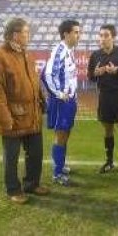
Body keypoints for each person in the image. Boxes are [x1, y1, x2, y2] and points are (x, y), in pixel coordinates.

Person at [0, 17, 49, 204]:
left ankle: (32, 184)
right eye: (26, 32)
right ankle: (13, 189)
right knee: (11, 156)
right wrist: (5, 119)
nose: (28, 36)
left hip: (32, 114)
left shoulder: (27, 54)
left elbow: (34, 81)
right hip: (12, 117)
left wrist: (42, 100)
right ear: (15, 34)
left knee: (35, 152)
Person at [87, 24, 118, 175]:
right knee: (108, 129)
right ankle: (109, 161)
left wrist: (116, 72)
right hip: (105, 96)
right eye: (100, 35)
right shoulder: (95, 55)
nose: (102, 38)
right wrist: (96, 73)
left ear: (113, 37)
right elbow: (90, 77)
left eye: (106, 35)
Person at [40, 19, 80, 187]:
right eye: (76, 32)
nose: (79, 35)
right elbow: (47, 74)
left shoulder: (69, 50)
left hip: (69, 100)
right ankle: (57, 173)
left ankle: (61, 166)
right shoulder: (59, 50)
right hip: (61, 102)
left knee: (66, 133)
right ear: (66, 34)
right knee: (60, 135)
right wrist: (58, 93)